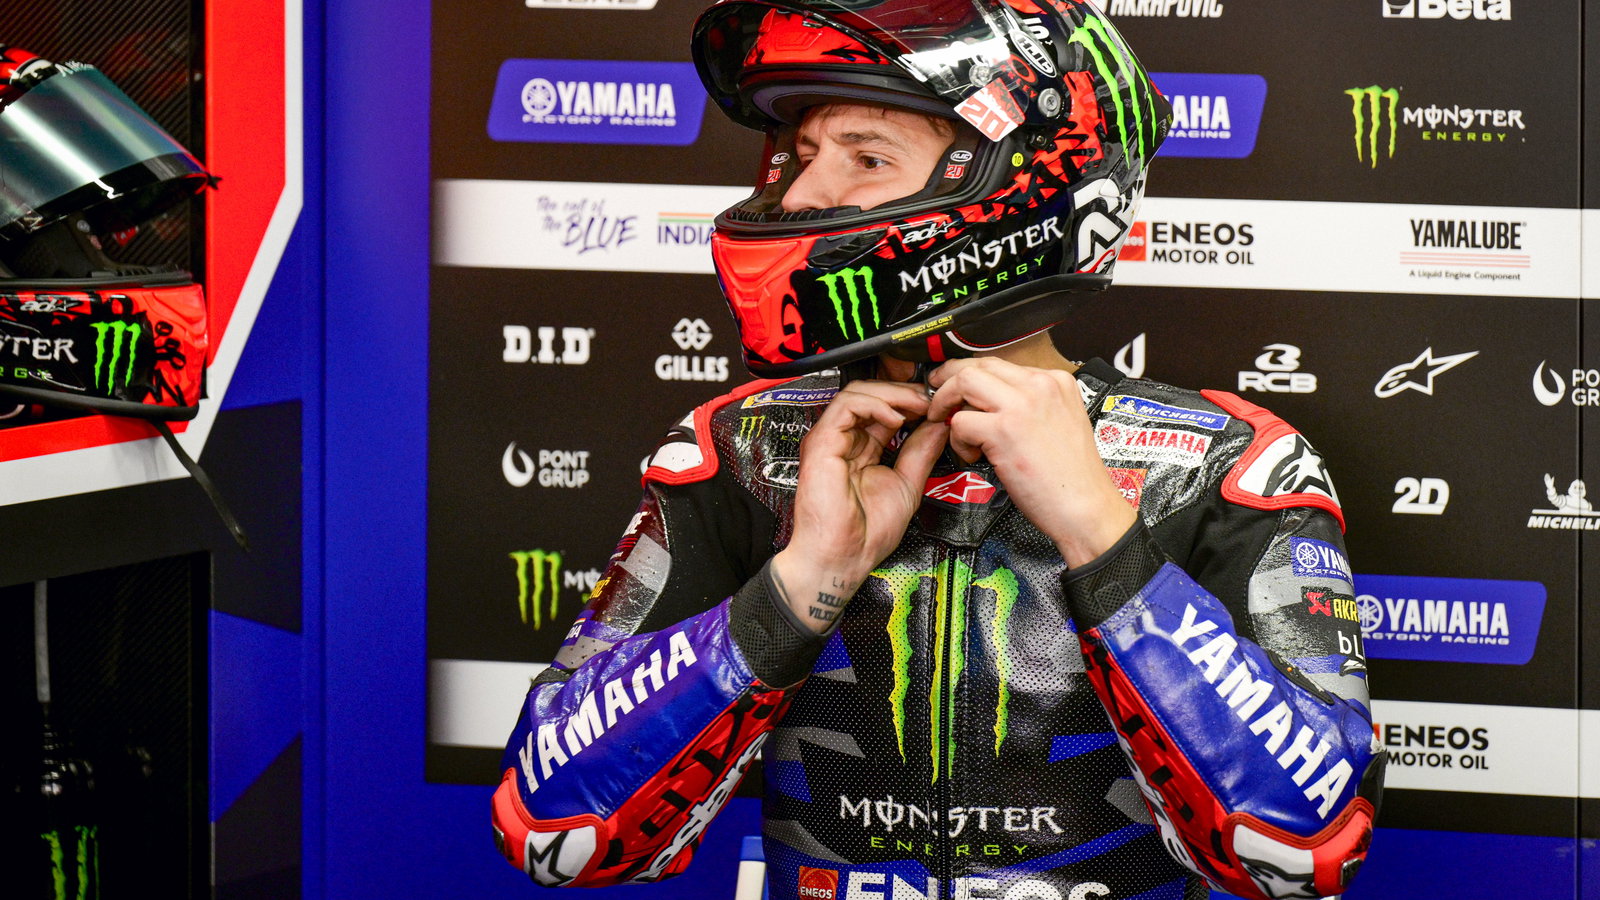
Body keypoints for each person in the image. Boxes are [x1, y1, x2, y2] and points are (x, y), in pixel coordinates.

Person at [491, 2, 1384, 899]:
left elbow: (1307, 846)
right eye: (804, 154)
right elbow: (553, 824)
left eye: (866, 158)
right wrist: (800, 585)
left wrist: (1103, 537)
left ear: (1021, 184)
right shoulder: (745, 451)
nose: (800, 195)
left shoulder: (1224, 463)